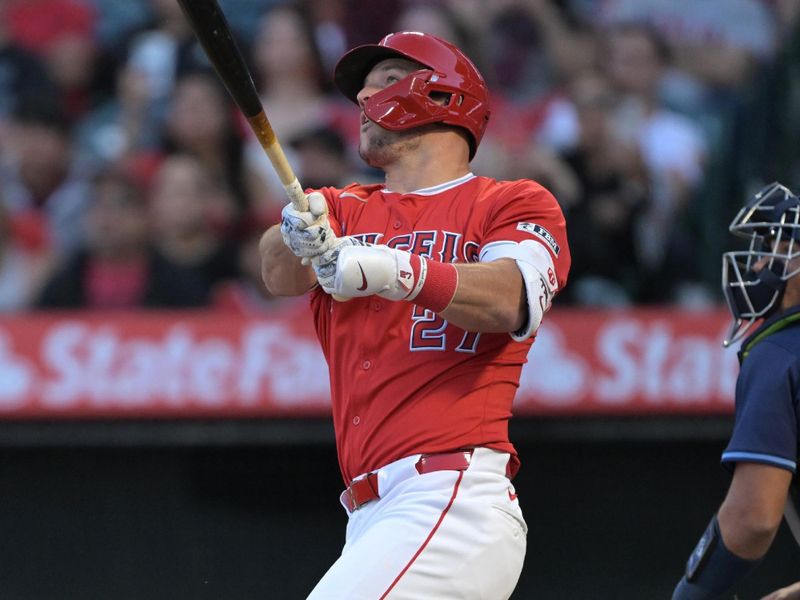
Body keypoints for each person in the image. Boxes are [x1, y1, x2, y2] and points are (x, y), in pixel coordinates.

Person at [260, 31, 571, 598]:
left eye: (383, 81)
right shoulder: (345, 206)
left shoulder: (512, 202)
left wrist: (393, 269)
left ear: (444, 95)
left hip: (449, 496)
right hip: (369, 517)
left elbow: (510, 298)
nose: (361, 99)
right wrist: (292, 231)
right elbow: (276, 274)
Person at [672, 182, 800, 599]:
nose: (760, 265)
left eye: (775, 248)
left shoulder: (778, 352)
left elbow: (753, 519)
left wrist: (692, 593)